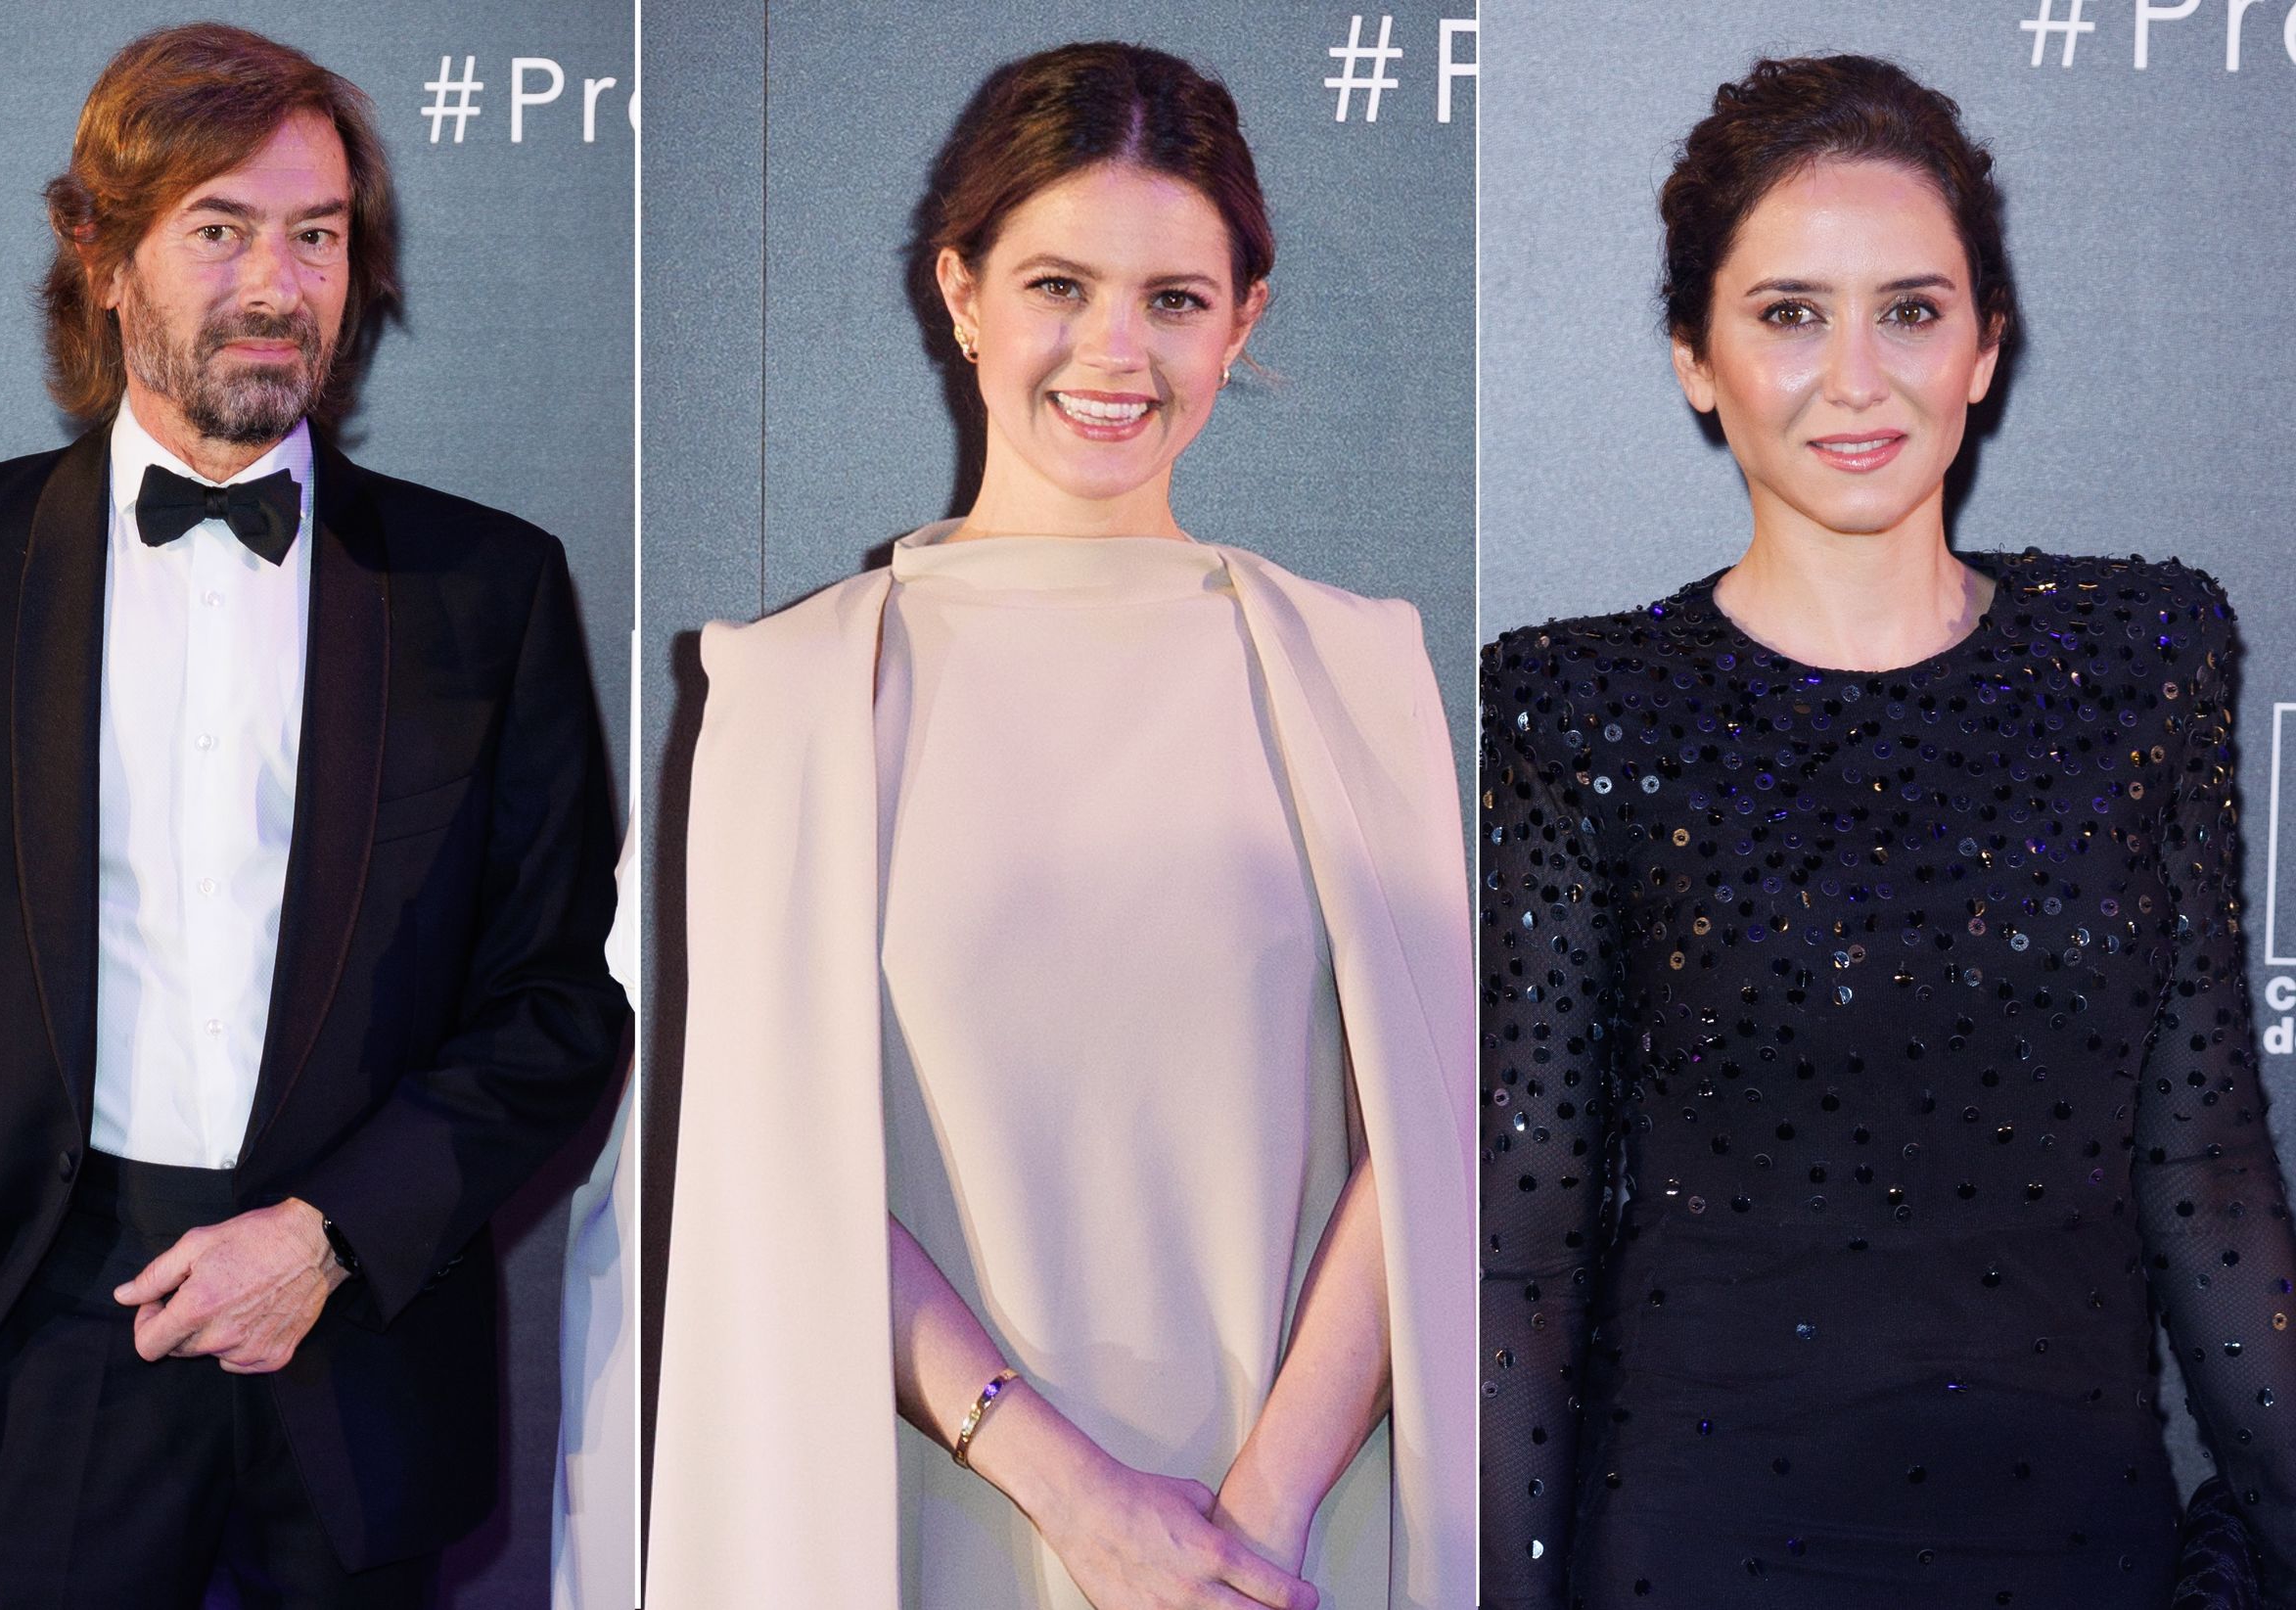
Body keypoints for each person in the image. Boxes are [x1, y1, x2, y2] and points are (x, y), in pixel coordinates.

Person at [0, 23, 626, 1606]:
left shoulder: (488, 590)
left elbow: (557, 1004)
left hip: (358, 1353)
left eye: (317, 235)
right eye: (220, 229)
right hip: (38, 1355)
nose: (278, 284)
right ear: (103, 261)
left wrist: (332, 1232)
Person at [645, 40, 1473, 1610]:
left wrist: (1254, 1522)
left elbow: (1421, 1148)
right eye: (1058, 287)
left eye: (1174, 299)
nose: (1115, 352)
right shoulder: (799, 691)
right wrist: (1079, 1498)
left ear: (1244, 320)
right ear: (960, 294)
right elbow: (778, 1162)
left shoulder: (1358, 673)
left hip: (1285, 1546)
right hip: (933, 1508)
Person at [1479, 53, 2296, 1610]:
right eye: (1791, 313)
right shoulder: (1582, 709)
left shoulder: (2143, 658)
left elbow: (2207, 1172)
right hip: (1704, 1555)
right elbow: (1523, 1245)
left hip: (2078, 1550)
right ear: (1694, 357)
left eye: (1910, 310)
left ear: (1986, 344)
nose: (1856, 376)